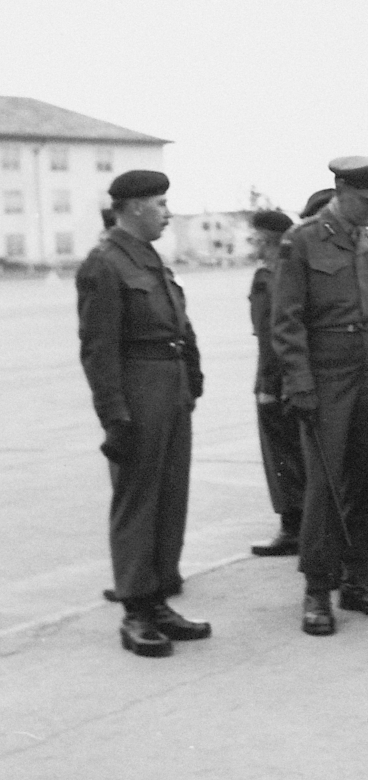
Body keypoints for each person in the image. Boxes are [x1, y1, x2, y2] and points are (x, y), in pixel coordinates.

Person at [272, 156, 368, 636]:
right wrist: (300, 383)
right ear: (341, 191)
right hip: (327, 374)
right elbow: (287, 321)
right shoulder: (302, 240)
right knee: (326, 484)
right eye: (366, 200)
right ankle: (317, 587)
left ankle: (359, 577)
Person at [76, 170, 210, 658]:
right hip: (138, 392)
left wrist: (191, 375)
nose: (167, 213)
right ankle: (135, 609)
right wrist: (114, 417)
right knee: (138, 500)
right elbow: (99, 348)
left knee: (170, 496)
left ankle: (158, 601)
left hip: (170, 389)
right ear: (133, 207)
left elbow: (179, 322)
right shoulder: (105, 263)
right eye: (160, 204)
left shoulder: (148, 257)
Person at [248, 210, 306, 557]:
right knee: (297, 453)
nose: (251, 243)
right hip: (293, 375)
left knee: (281, 456)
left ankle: (292, 527)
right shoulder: (290, 270)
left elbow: (270, 336)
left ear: (266, 239)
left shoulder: (267, 276)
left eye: (254, 237)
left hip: (275, 378)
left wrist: (269, 385)